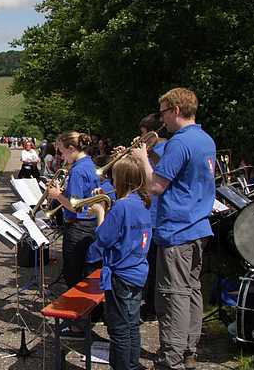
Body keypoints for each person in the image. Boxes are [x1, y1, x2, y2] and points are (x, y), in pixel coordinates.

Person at [131, 87, 215, 370]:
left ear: (176, 110)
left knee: (172, 295)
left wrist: (142, 159)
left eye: (164, 112)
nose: (162, 119)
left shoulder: (180, 142)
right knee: (191, 290)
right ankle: (189, 350)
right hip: (198, 226)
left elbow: (155, 186)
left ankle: (171, 358)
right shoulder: (205, 139)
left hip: (177, 230)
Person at [85, 156, 152, 370]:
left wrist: (100, 213)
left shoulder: (122, 206)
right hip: (137, 270)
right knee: (131, 325)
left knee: (119, 329)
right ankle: (132, 365)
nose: (112, 181)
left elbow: (104, 238)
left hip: (121, 274)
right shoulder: (142, 202)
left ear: (121, 179)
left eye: (114, 177)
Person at [47, 131, 102, 337]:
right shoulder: (89, 164)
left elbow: (75, 206)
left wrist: (57, 195)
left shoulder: (78, 170)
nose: (61, 156)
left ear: (71, 149)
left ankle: (78, 323)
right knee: (85, 272)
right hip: (90, 225)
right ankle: (89, 316)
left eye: (62, 151)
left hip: (78, 226)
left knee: (73, 275)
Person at [138, 112, 168, 319]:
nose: (141, 138)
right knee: (149, 261)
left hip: (157, 215)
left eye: (143, 134)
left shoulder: (164, 150)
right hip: (149, 211)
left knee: (153, 264)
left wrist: (144, 155)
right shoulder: (151, 151)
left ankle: (151, 307)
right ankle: (148, 301)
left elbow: (158, 175)